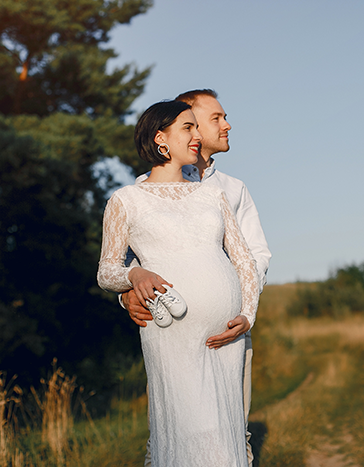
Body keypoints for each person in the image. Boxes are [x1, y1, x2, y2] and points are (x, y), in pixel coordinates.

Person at [97, 100, 259, 466]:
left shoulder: (212, 194)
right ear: (161, 139)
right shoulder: (126, 200)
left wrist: (247, 315)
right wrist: (134, 275)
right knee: (189, 431)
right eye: (188, 127)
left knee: (225, 430)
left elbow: (245, 261)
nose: (197, 135)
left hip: (226, 335)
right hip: (171, 331)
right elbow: (107, 270)